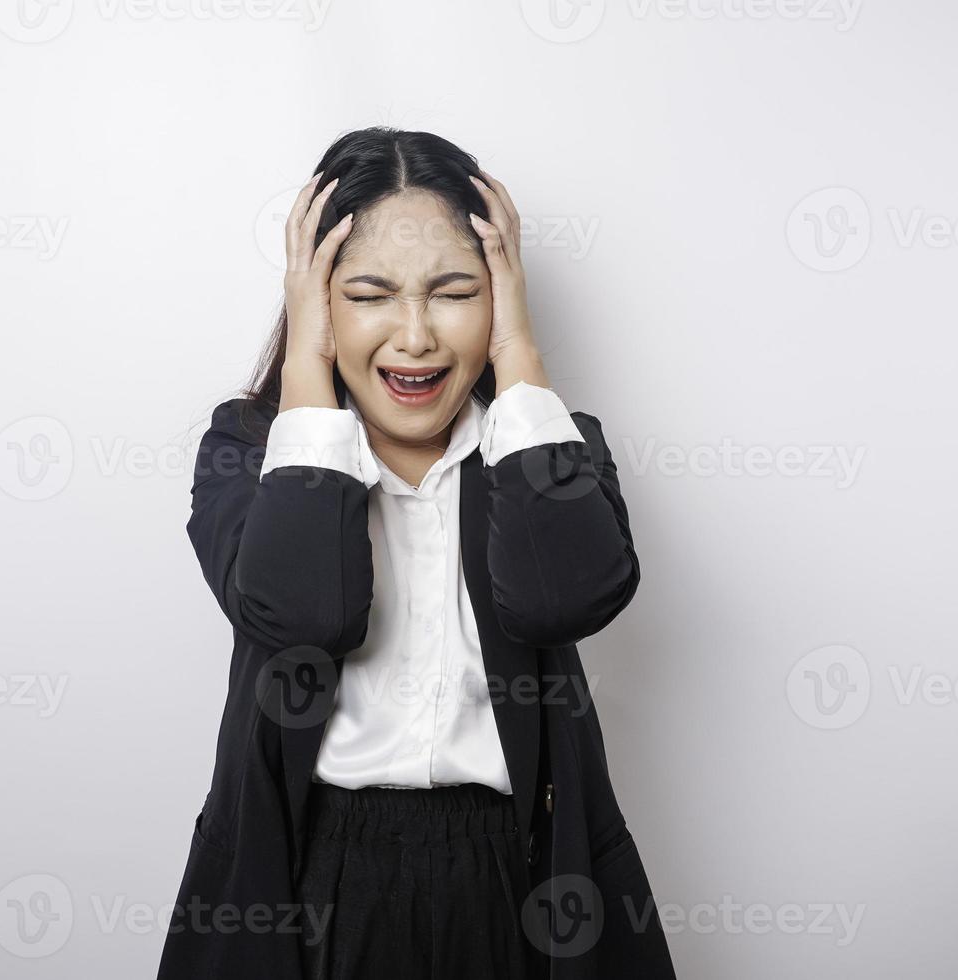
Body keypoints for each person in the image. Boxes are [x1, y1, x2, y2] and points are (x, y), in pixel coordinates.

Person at [157, 127, 676, 980]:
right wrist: (308, 375)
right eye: (368, 294)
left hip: (517, 877)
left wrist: (518, 358)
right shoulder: (249, 452)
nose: (416, 336)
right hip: (310, 881)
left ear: (501, 295)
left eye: (454, 291)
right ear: (317, 300)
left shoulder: (552, 447)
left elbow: (565, 599)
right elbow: (305, 614)